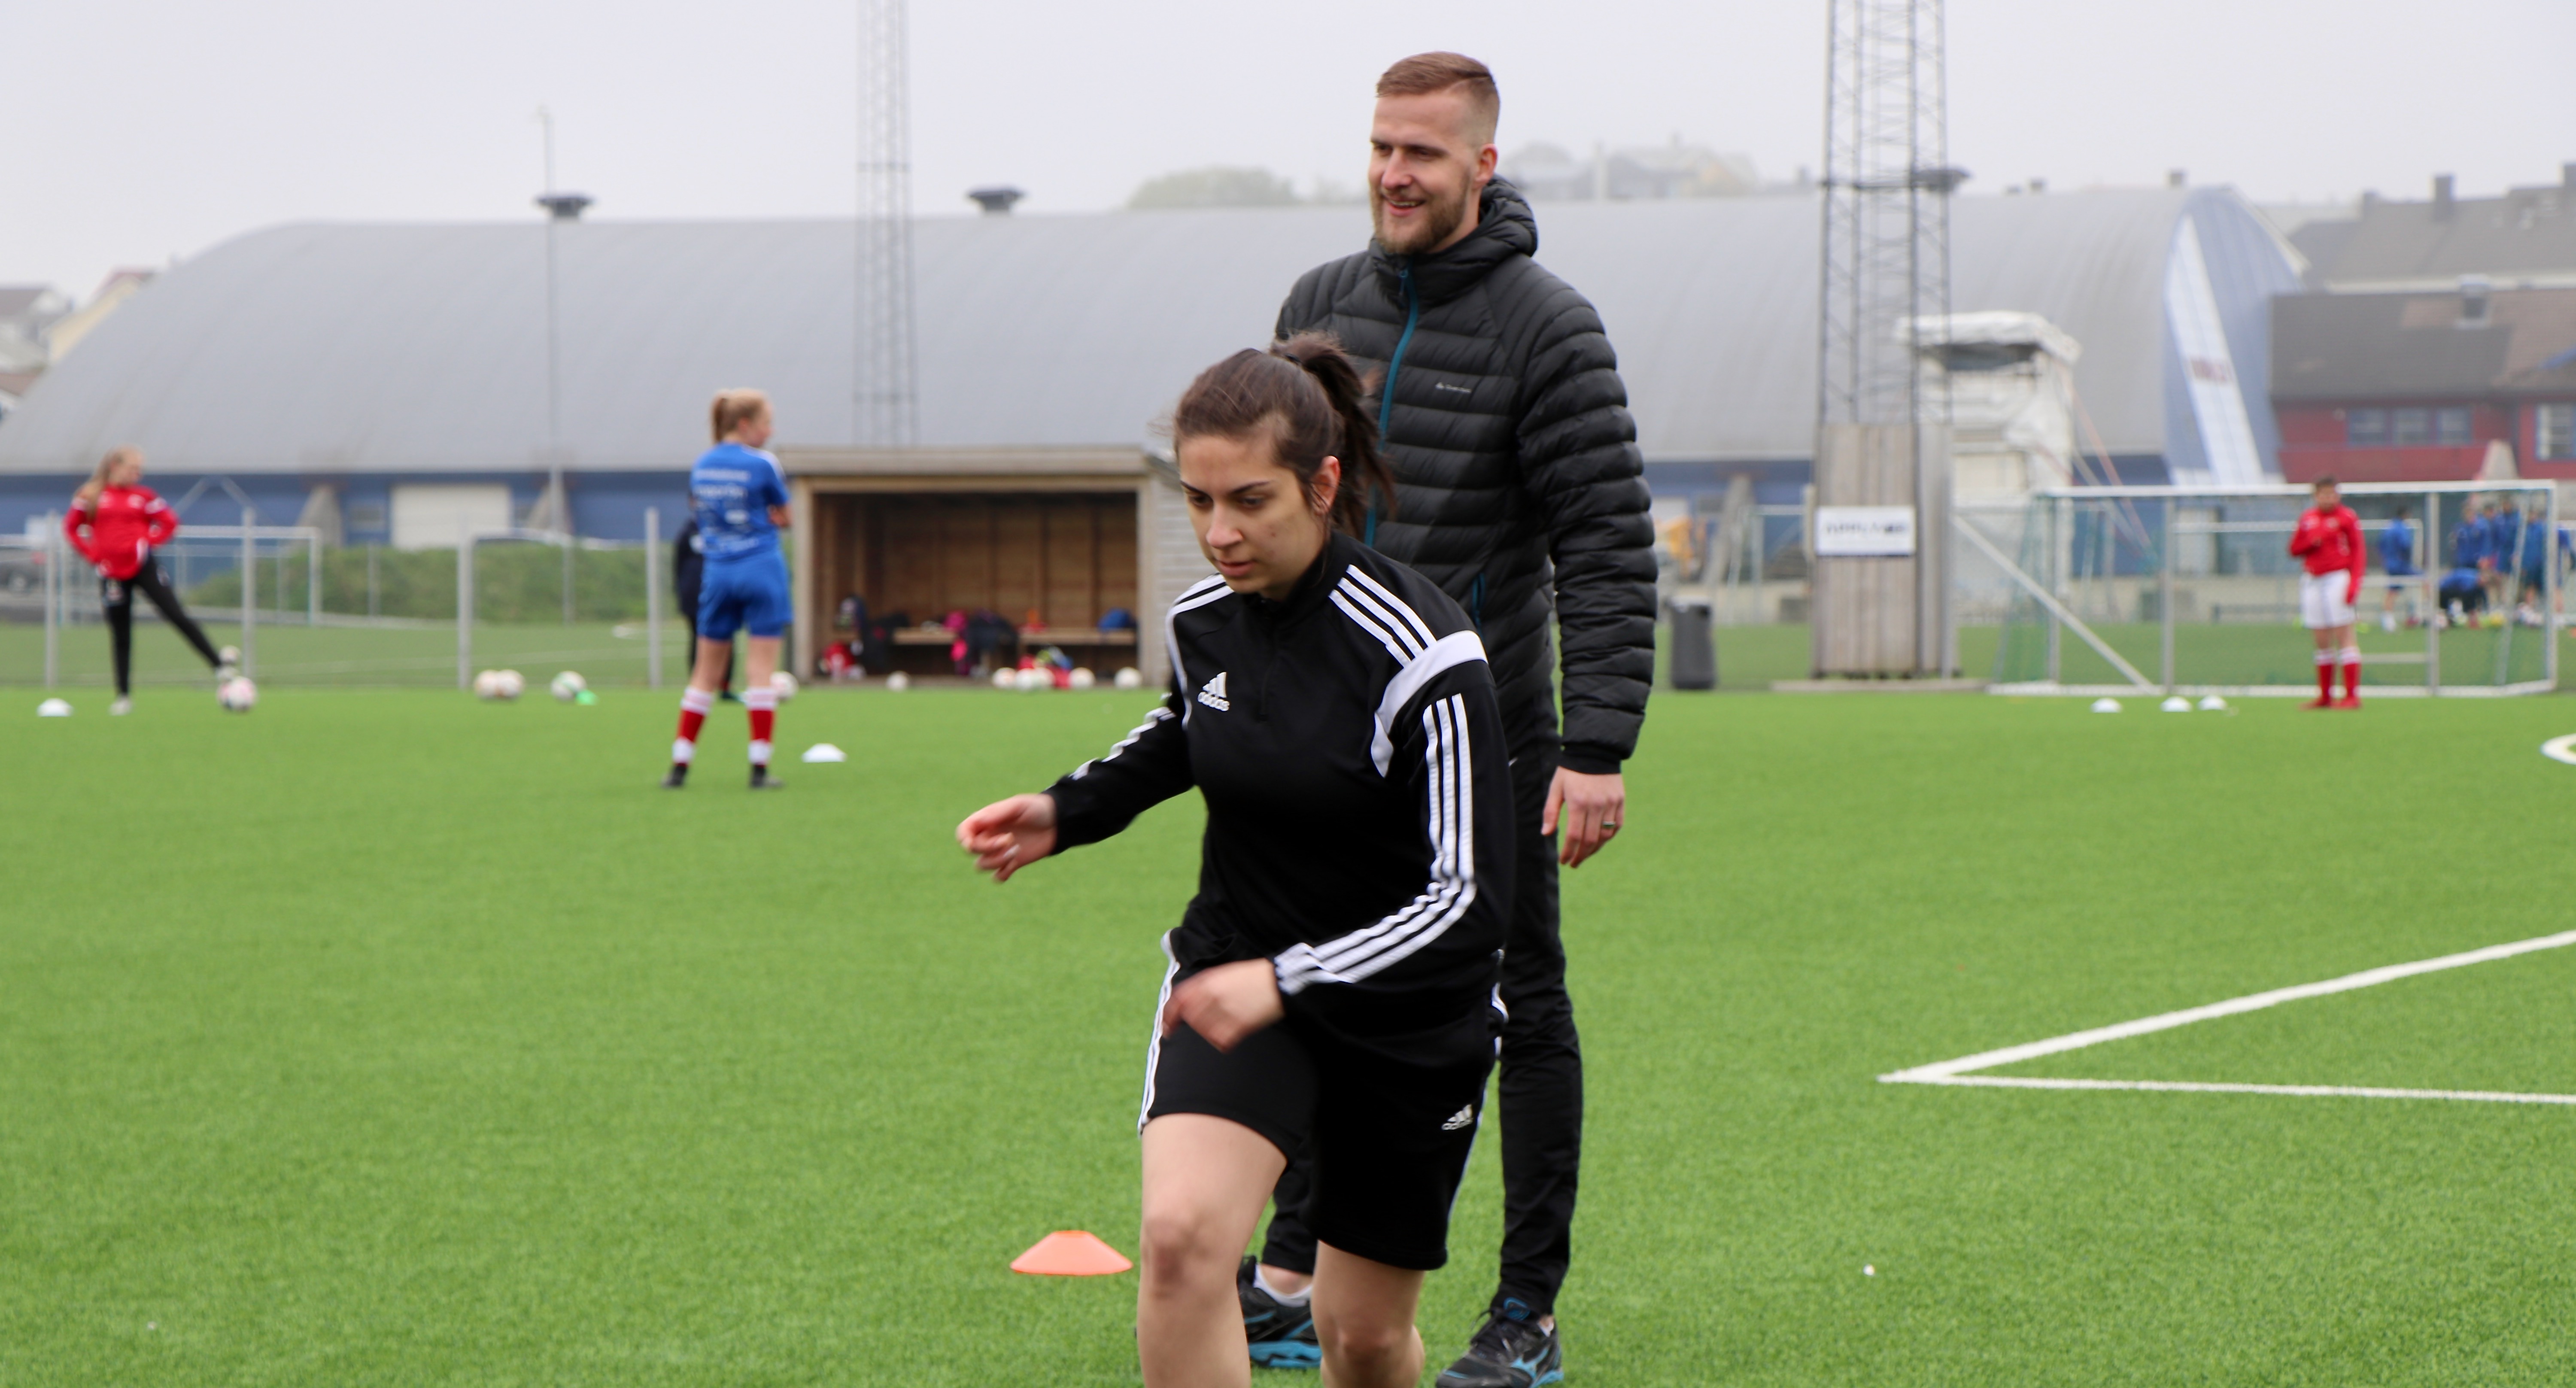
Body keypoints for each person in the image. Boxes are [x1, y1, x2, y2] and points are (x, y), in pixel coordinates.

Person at [959, 337, 1514, 1388]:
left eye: (1250, 500)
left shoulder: (1422, 651)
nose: (1221, 532)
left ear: (1324, 482)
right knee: (1179, 1243)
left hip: (1404, 1016)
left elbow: (1471, 899)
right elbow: (1188, 725)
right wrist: (1065, 808)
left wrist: (1289, 979)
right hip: (1232, 971)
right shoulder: (1203, 623)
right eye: (1199, 499)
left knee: (1359, 1334)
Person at [1260, 51, 1656, 1385]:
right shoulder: (1319, 303)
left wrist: (1596, 746)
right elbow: (1275, 505)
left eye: (1422, 152)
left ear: (1481, 164)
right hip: (1332, 729)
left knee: (1516, 1004)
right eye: (1379, 146)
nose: (1391, 173)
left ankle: (1523, 1314)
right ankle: (1291, 1273)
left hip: (1486, 735)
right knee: (1320, 981)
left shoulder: (1550, 326)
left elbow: (1604, 544)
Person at [662, 389, 790, 789]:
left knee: (704, 673)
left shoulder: (702, 464)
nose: (770, 431)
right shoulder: (764, 463)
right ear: (746, 425)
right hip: (761, 567)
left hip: (717, 572)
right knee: (760, 671)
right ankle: (759, 768)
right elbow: (783, 516)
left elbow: (704, 513)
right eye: (767, 423)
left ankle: (680, 766)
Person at [63, 446, 233, 714]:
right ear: (115, 467)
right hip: (111, 573)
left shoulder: (143, 497)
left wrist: (147, 543)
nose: (137, 474)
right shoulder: (91, 496)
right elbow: (71, 528)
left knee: (176, 614)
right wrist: (92, 554)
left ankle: (220, 667)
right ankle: (123, 697)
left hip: (144, 567)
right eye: (133, 468)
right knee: (121, 633)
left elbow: (169, 522)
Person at [2289, 475, 2365, 709]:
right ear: (2316, 496)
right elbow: (2294, 549)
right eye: (2324, 494)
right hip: (2312, 579)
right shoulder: (2308, 518)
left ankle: (2351, 696)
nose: (2328, 498)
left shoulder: (2346, 517)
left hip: (2336, 578)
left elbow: (2358, 552)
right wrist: (2311, 542)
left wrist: (2354, 584)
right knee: (2321, 638)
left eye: (2332, 494)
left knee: (2344, 635)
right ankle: (2325, 696)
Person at [670, 515, 738, 701]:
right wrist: (680, 592)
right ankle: (697, 688)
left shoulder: (726, 527)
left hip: (722, 594)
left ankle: (725, 687)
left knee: (727, 639)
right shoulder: (688, 532)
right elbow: (678, 565)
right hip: (694, 597)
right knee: (698, 640)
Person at [2377, 506, 2418, 631]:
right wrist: (2407, 560)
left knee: (2392, 591)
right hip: (2401, 565)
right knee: (2425, 581)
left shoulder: (2388, 527)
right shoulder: (2401, 528)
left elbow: (2381, 545)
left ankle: (2388, 620)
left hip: (2390, 564)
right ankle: (2432, 615)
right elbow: (2405, 545)